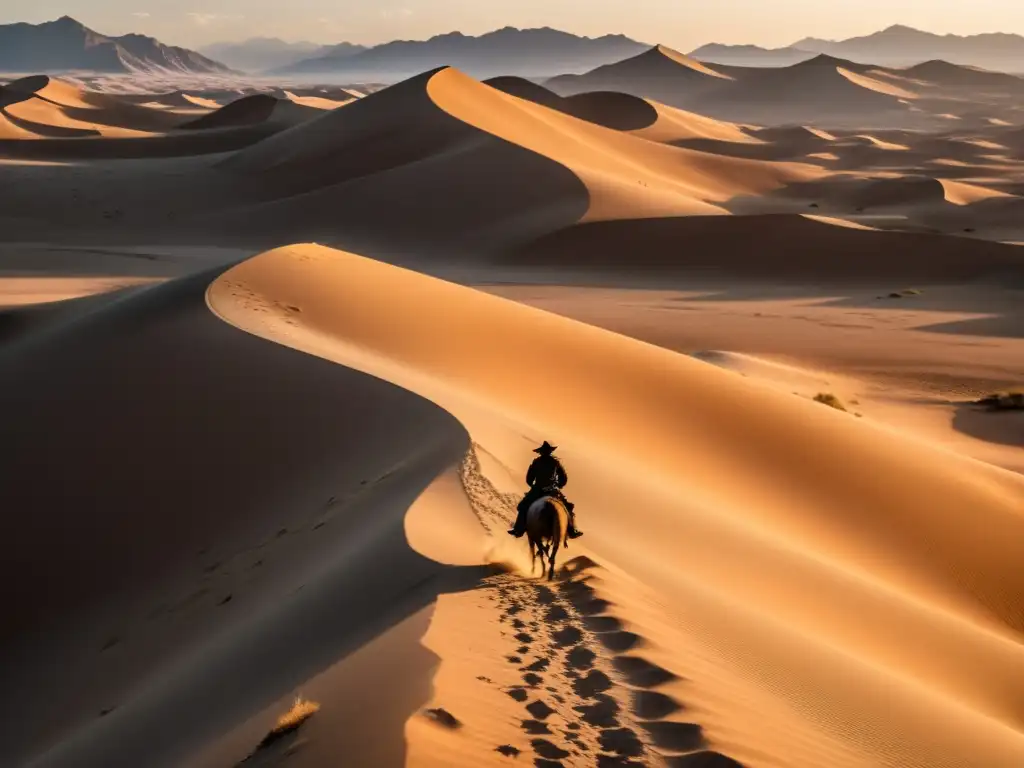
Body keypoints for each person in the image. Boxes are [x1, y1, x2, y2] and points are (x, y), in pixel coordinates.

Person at [508, 441, 582, 539]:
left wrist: (533, 485)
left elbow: (529, 479)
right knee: (567, 507)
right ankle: (572, 530)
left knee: (523, 507)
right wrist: (558, 485)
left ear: (541, 452)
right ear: (550, 452)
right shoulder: (555, 463)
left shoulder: (536, 462)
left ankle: (518, 529)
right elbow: (563, 478)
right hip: (552, 490)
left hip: (537, 489)